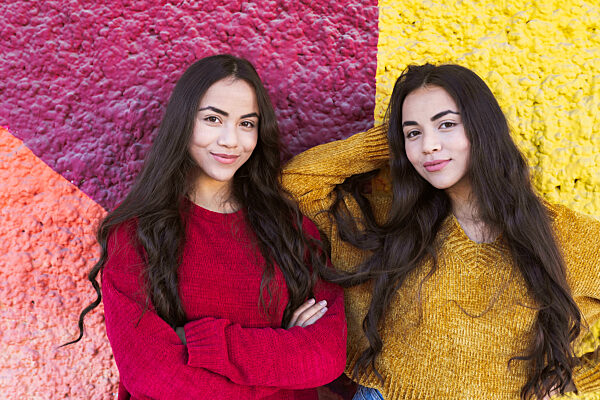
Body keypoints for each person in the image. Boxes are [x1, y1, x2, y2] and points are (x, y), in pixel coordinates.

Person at [282, 63, 600, 400]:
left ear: (483, 129)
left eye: (446, 124)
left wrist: (570, 379)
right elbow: (297, 182)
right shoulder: (390, 218)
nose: (429, 146)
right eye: (413, 132)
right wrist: (390, 139)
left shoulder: (574, 239)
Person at [67, 54, 347, 399]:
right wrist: (282, 353)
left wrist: (204, 343)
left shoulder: (290, 227)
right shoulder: (136, 234)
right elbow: (152, 376)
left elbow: (326, 357)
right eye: (213, 119)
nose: (231, 140)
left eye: (247, 124)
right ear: (184, 122)